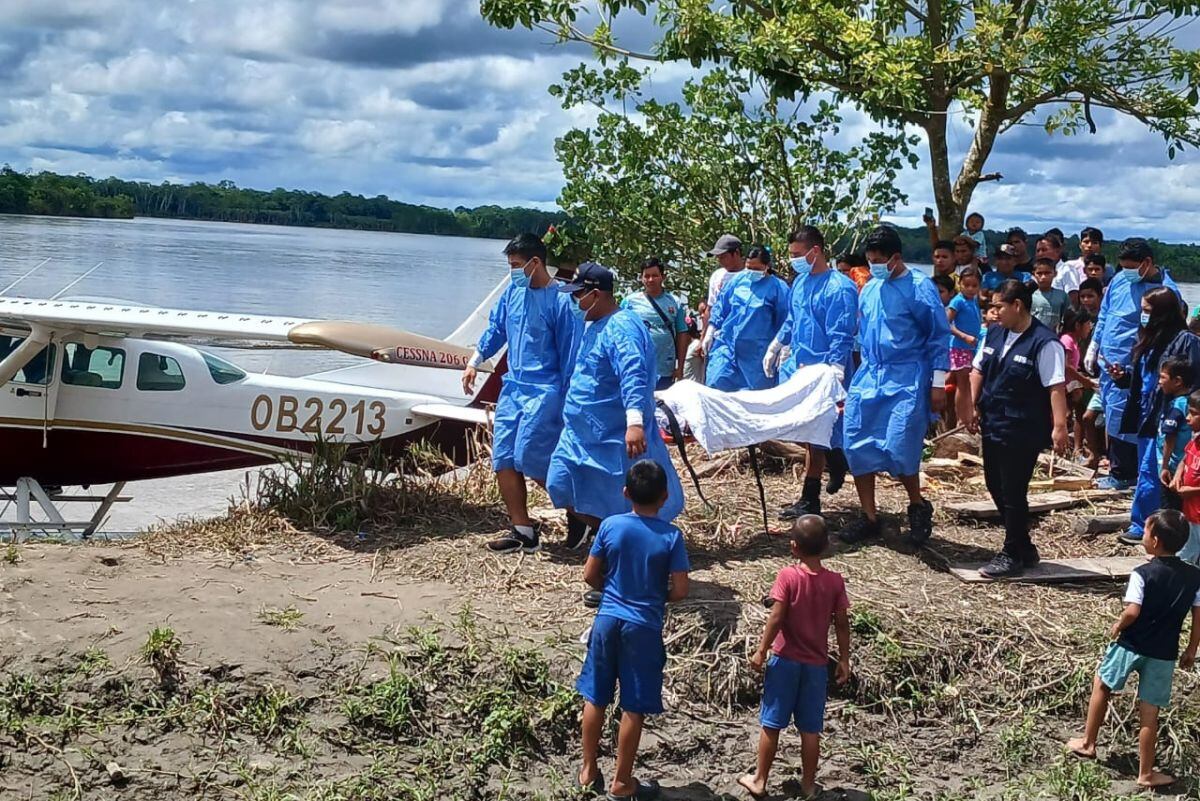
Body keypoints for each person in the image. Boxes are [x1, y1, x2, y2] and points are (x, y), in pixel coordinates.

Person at [547, 262, 686, 551]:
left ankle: (629, 541)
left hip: (612, 435)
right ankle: (608, 533)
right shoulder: (595, 325)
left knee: (622, 496)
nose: (574, 301)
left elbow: (632, 372)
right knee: (559, 483)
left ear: (595, 294)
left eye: (578, 294)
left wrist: (634, 421)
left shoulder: (622, 326)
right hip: (582, 435)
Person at [459, 233, 582, 554]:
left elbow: (570, 354)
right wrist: (475, 361)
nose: (512, 271)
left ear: (535, 262)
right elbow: (497, 329)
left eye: (515, 265)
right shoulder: (513, 293)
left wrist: (570, 398)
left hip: (546, 390)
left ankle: (579, 512)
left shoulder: (560, 301)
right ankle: (522, 529)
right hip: (514, 387)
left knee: (532, 457)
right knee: (503, 459)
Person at [576, 459, 690, 800]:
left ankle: (587, 768)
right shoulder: (671, 536)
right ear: (665, 496)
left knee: (595, 696)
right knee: (633, 705)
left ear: (626, 493)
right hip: (643, 625)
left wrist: (609, 588)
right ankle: (622, 781)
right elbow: (682, 591)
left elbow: (589, 575)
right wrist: (656, 596)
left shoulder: (610, 526)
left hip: (607, 618)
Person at [1066, 510, 1200, 789]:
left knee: (1102, 684)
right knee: (1150, 710)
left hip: (1131, 644)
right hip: (1164, 652)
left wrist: (1118, 624)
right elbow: (1198, 615)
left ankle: (1089, 743)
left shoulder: (1142, 573)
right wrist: (1191, 648)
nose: (1144, 536)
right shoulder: (1194, 577)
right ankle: (1146, 773)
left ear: (1155, 540)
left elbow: (1132, 611)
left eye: (1147, 532)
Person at [840, 226, 950, 545]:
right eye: (870, 260)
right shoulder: (871, 287)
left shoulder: (918, 287)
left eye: (879, 260)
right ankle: (869, 516)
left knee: (901, 446)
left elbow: (938, 335)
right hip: (871, 374)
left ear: (896, 258)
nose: (873, 266)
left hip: (906, 375)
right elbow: (864, 333)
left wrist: (938, 382)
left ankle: (917, 506)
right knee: (855, 441)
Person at [739, 515, 850, 800]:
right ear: (826, 545)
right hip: (815, 665)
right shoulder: (835, 582)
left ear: (793, 547)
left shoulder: (787, 576)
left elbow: (777, 616)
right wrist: (844, 659)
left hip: (785, 659)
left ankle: (760, 779)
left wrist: (761, 649)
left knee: (772, 723)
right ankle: (809, 785)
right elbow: (841, 623)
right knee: (810, 729)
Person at [967, 280, 1069, 578]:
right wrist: (972, 404)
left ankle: (1011, 552)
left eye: (999, 306)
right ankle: (1024, 545)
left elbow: (1055, 386)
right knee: (994, 484)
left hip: (1023, 426)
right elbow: (978, 369)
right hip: (993, 421)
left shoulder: (1044, 341)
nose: (993, 312)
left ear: (1017, 306)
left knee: (1013, 489)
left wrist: (1059, 426)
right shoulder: (995, 333)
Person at [766, 226, 858, 519]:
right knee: (808, 432)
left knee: (817, 434)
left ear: (814, 251)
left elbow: (841, 332)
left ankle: (811, 495)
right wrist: (778, 343)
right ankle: (830, 465)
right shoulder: (801, 283)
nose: (793, 260)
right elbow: (794, 320)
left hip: (825, 369)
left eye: (796, 254)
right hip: (803, 366)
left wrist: (837, 368)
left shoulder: (839, 288)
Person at [1107, 285, 1199, 542]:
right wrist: (1123, 378)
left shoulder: (1186, 341)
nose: (1143, 315)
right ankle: (1145, 524)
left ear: (1163, 313)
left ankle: (1156, 528)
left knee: (1156, 470)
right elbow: (1145, 378)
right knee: (1146, 470)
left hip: (1171, 415)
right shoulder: (1147, 338)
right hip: (1146, 412)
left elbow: (1192, 381)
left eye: (1147, 311)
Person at [1092, 238, 1180, 492]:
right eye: (1123, 266)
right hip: (1109, 361)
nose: (1127, 272)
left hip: (1136, 366)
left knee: (1127, 418)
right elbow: (1105, 314)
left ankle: (1125, 472)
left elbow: (1167, 332)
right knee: (1110, 414)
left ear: (1147, 263)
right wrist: (1095, 344)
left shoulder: (1165, 291)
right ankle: (1116, 465)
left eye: (1132, 266)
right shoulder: (1120, 280)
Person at [703, 245, 790, 391]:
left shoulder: (778, 288)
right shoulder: (738, 280)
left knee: (755, 400)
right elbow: (721, 306)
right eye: (748, 267)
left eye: (756, 269)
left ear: (767, 266)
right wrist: (711, 329)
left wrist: (782, 346)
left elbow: (786, 320)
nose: (751, 272)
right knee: (715, 383)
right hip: (728, 347)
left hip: (756, 355)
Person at [621, 258, 689, 390]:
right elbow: (620, 333)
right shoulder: (629, 302)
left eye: (654, 275)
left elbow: (682, 334)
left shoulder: (675, 302)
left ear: (663, 277)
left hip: (665, 370)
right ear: (641, 278)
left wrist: (680, 368)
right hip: (636, 368)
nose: (650, 280)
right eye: (646, 276)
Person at [947, 268, 983, 431]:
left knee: (967, 384)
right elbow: (946, 324)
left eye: (974, 285)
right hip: (960, 346)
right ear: (960, 284)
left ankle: (967, 418)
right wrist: (964, 337)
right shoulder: (958, 301)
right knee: (962, 384)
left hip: (971, 347)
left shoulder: (973, 301)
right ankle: (961, 420)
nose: (970, 289)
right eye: (966, 285)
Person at [1156, 356, 1193, 512]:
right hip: (1179, 466)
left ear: (1177, 381)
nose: (1159, 381)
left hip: (1171, 468)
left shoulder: (1179, 406)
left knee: (1169, 510)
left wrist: (1164, 466)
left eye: (1163, 377)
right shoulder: (1187, 402)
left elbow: (1170, 436)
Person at [1168, 391, 1200, 564]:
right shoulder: (1196, 439)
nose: (1188, 418)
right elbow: (1185, 457)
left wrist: (1192, 491)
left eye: (1194, 414)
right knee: (1189, 555)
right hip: (1191, 513)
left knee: (1188, 557)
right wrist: (1178, 475)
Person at [1060, 308, 1097, 457]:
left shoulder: (1074, 341)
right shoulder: (1067, 340)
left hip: (1071, 384)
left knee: (1079, 412)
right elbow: (1066, 366)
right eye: (1088, 324)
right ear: (1077, 325)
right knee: (1068, 415)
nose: (1090, 328)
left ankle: (1077, 448)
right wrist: (1083, 380)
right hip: (1063, 386)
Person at [704, 233, 745, 327]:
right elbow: (710, 308)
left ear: (736, 253)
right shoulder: (717, 276)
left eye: (723, 257)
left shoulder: (750, 276)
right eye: (718, 258)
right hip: (719, 334)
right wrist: (704, 337)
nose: (720, 261)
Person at [1030, 257, 1070, 333]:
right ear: (1034, 274)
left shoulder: (1062, 295)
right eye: (1039, 273)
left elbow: (1066, 317)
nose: (1043, 277)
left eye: (1047, 273)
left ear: (1055, 274)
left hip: (1055, 336)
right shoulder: (1030, 296)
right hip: (1034, 335)